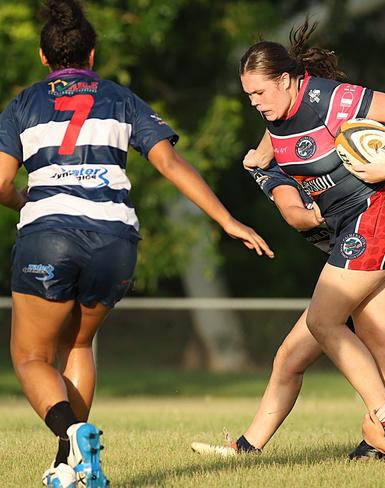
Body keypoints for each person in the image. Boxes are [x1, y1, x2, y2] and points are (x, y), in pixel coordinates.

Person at [0, 1, 273, 486]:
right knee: (79, 342)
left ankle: (72, 433)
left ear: (44, 58)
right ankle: (71, 463)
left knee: (31, 358)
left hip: (49, 235)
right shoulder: (121, 98)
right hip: (115, 239)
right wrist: (227, 220)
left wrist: (20, 197)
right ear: (92, 53)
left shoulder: (23, 104)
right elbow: (169, 164)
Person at [239, 18, 385, 450]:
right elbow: (265, 153)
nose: (255, 103)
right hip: (358, 224)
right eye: (248, 96)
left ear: (285, 80)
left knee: (324, 321)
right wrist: (256, 162)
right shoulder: (275, 116)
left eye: (260, 92)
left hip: (380, 212)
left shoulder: (328, 98)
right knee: (377, 333)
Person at [192, 163, 385, 460]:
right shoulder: (278, 164)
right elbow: (295, 215)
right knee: (292, 357)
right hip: (355, 264)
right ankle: (246, 448)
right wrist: (329, 208)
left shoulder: (325, 150)